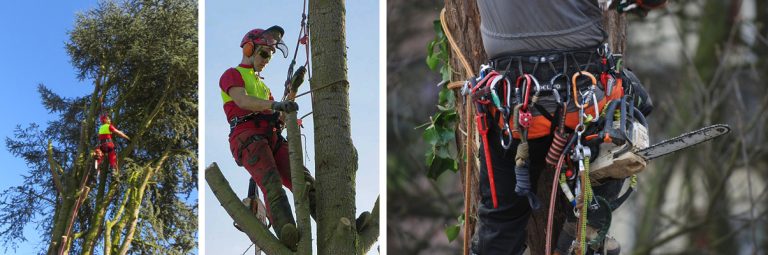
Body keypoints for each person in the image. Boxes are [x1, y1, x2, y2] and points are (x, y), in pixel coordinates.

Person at [470, 1, 663, 254]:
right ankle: (586, 227)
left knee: (500, 224)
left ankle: (581, 227)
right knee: (630, 109)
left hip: (515, 110)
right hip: (584, 102)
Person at [219, 26, 313, 250]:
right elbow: (242, 101)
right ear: (249, 48)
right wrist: (274, 104)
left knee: (303, 180)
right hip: (248, 136)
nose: (266, 60)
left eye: (269, 57)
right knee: (271, 182)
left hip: (270, 136)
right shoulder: (232, 75)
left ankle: (339, 218)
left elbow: (278, 116)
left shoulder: (263, 87)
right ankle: (286, 232)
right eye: (263, 54)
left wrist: (292, 91)